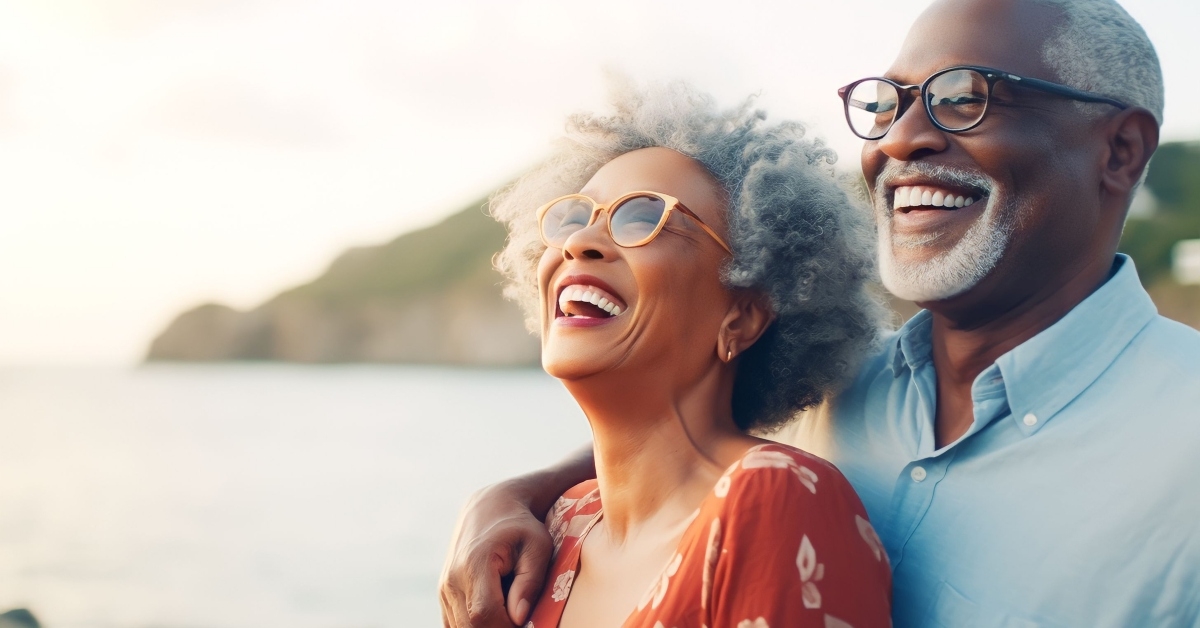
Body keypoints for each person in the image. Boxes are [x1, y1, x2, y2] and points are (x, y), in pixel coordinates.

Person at [441, 0, 1200, 626]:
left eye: (964, 98)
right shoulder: (827, 390)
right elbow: (669, 450)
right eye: (888, 103)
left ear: (1120, 149)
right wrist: (517, 495)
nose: (902, 138)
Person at [444, 82, 893, 628]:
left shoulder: (773, 497)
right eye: (574, 217)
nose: (579, 241)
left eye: (642, 217)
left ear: (742, 316)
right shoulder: (556, 524)